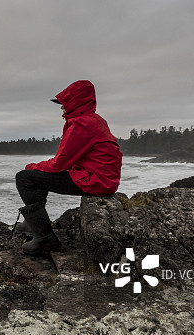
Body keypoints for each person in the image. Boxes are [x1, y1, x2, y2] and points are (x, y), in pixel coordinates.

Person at [15, 79, 122, 256]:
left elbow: (59, 164)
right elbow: (71, 160)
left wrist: (32, 167)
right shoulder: (94, 120)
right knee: (37, 174)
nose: (62, 108)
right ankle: (34, 223)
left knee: (24, 178)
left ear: (76, 103)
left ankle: (45, 238)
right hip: (101, 178)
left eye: (64, 103)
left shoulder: (82, 124)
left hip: (95, 181)